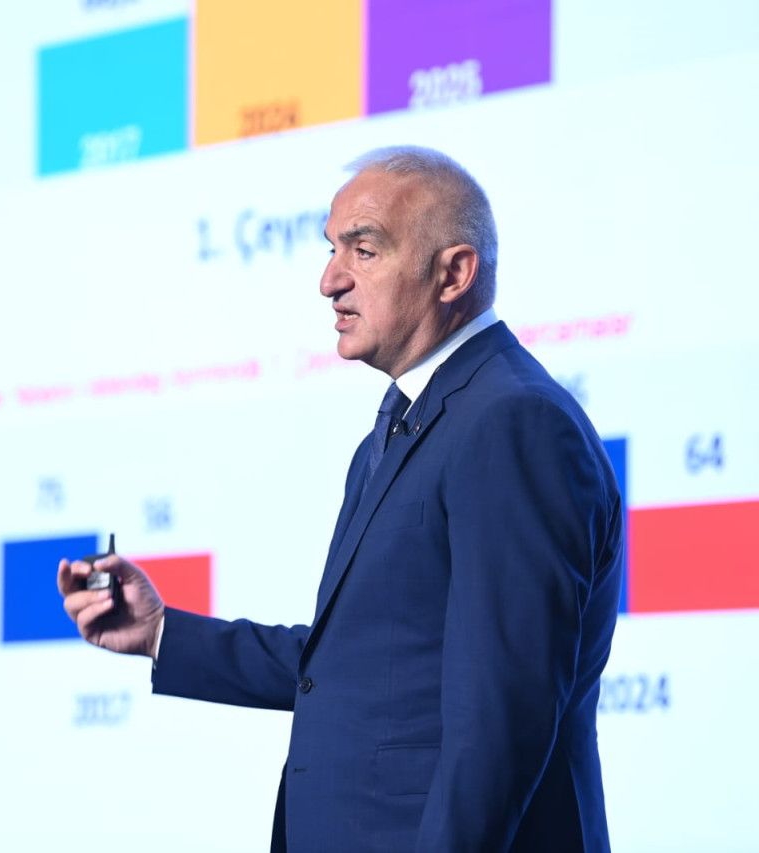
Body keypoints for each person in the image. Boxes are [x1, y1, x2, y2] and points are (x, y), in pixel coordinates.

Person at [57, 146, 623, 853]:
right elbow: (354, 664)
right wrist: (162, 633)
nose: (329, 280)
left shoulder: (513, 421)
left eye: (365, 249)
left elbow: (501, 719)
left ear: (453, 273)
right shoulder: (398, 428)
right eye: (332, 249)